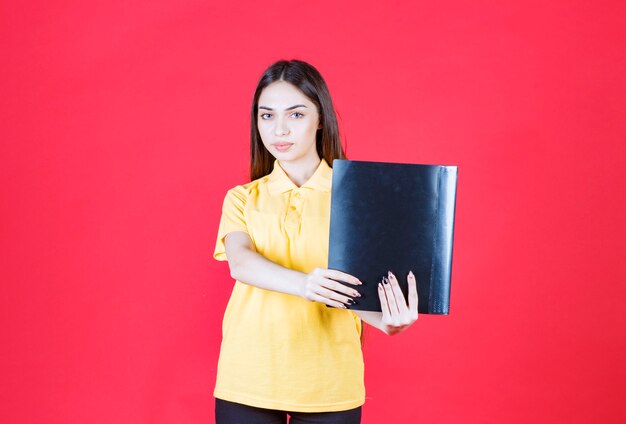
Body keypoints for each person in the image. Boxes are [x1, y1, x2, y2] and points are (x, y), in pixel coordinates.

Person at [212, 59, 419, 424]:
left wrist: (388, 320)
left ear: (320, 118)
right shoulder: (242, 198)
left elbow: (356, 291)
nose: (279, 130)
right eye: (266, 116)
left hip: (329, 383)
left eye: (295, 115)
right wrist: (306, 284)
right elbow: (240, 263)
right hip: (249, 377)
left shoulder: (357, 198)